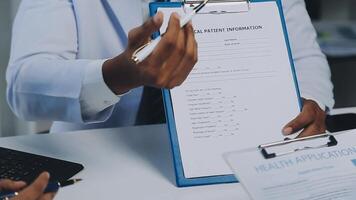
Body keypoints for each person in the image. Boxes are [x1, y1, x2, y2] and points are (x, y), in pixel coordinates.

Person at [6, 0, 334, 138]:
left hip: (235, 154)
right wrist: (118, 75)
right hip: (109, 165)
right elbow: (24, 84)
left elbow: (305, 57)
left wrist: (310, 102)